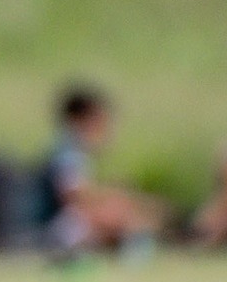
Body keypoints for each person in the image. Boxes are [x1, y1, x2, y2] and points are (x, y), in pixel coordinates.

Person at [33, 83, 164, 254]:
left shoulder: (73, 151)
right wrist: (116, 196)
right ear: (80, 120)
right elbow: (73, 195)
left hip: (65, 225)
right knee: (120, 213)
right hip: (60, 227)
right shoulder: (68, 153)